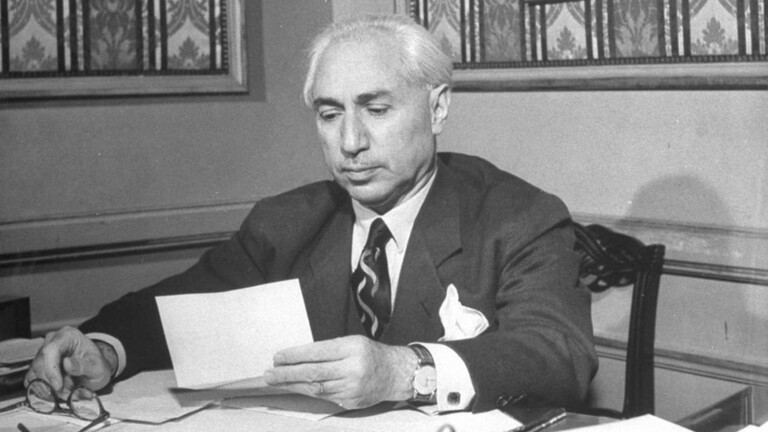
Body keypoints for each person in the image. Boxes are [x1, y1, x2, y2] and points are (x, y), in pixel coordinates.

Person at [25, 14, 597, 413]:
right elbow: (181, 308)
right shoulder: (288, 222)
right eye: (329, 114)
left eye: (376, 109)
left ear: (438, 107)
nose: (350, 142)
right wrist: (104, 348)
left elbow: (558, 354)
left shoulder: (516, 217)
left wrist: (405, 370)